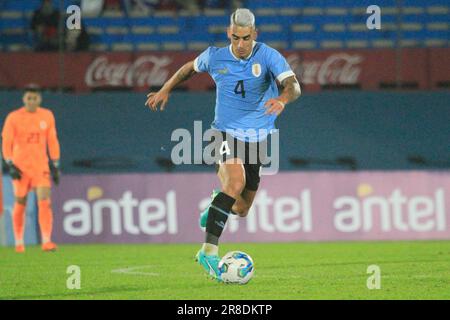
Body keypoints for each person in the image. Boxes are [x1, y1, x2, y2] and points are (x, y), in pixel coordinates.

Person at [145, 8, 301, 281]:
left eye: (246, 38)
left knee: (241, 208)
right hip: (223, 133)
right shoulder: (215, 56)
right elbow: (187, 69)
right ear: (229, 33)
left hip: (258, 139)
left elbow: (294, 86)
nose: (240, 45)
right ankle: (209, 251)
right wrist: (165, 89)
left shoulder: (268, 56)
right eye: (236, 38)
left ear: (255, 34)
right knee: (234, 183)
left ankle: (214, 206)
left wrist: (282, 100)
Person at [2, 86, 61, 253]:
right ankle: (19, 242)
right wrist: (9, 163)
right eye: (29, 98)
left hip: (40, 166)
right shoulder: (14, 117)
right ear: (24, 99)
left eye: (34, 98)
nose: (31, 101)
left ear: (39, 99)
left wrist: (55, 164)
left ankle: (47, 241)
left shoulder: (47, 115)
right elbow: (6, 141)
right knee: (20, 202)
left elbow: (52, 140)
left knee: (45, 201)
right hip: (20, 168)